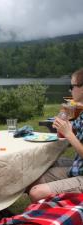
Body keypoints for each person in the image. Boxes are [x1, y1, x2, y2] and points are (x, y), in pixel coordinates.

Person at [29, 68, 83, 202]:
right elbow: (60, 133)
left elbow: (69, 136)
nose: (69, 90)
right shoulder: (80, 111)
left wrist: (69, 134)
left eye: (72, 86)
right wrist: (64, 114)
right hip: (78, 166)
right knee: (34, 177)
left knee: (36, 192)